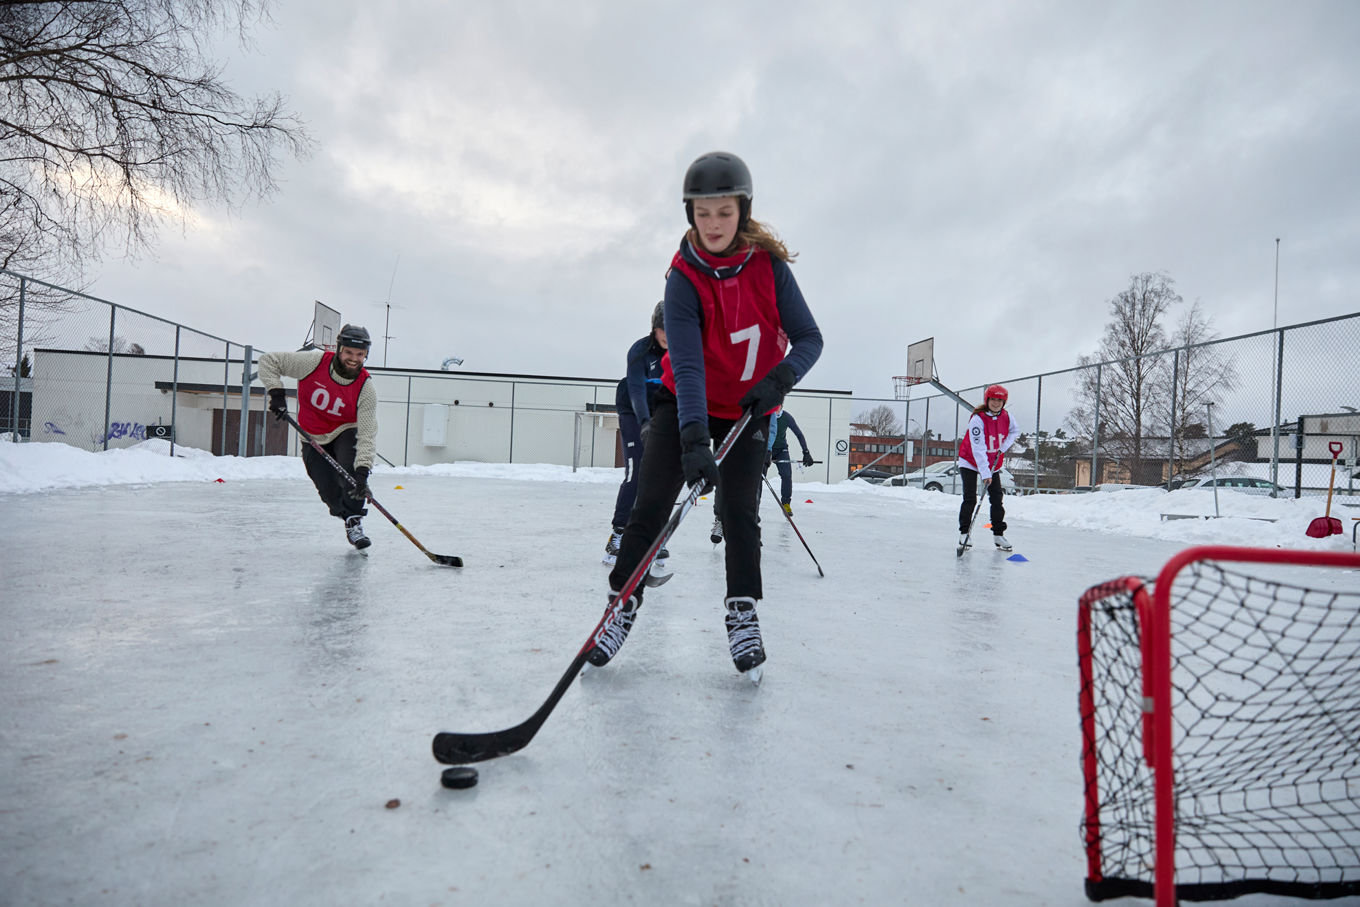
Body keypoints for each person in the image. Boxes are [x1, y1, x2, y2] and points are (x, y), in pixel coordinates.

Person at [588, 150, 823, 678]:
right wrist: (694, 435)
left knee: (739, 511)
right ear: (689, 213)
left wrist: (780, 379)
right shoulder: (683, 277)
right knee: (651, 503)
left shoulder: (770, 269)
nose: (713, 224)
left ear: (743, 210)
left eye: (724, 212)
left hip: (750, 408)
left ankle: (742, 610)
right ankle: (621, 604)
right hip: (686, 403)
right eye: (702, 213)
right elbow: (689, 364)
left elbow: (810, 338)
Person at [259, 325, 378, 550]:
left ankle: (354, 520)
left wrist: (362, 472)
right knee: (327, 489)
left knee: (351, 473)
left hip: (344, 430)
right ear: (339, 349)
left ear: (365, 355)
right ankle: (345, 514)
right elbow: (268, 361)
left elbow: (367, 434)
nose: (353, 359)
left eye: (360, 354)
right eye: (349, 352)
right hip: (312, 435)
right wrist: (276, 393)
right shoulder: (314, 362)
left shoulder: (366, 388)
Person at [603, 302, 668, 566]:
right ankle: (618, 534)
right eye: (663, 329)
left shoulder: (684, 350)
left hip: (662, 408)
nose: (668, 335)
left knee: (662, 476)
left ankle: (654, 536)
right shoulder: (640, 351)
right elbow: (637, 392)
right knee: (636, 470)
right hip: (633, 409)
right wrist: (644, 423)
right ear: (654, 328)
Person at [957, 384, 1019, 551]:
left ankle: (998, 535)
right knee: (970, 498)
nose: (996, 403)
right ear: (987, 400)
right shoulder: (977, 419)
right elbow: (978, 449)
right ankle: (964, 533)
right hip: (970, 460)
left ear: (1004, 402)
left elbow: (1015, 431)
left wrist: (1003, 447)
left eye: (1000, 400)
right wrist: (985, 474)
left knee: (997, 498)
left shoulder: (1007, 417)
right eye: (993, 399)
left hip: (993, 462)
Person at [765, 409, 812, 515]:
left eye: (778, 406)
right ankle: (754, 504)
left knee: (786, 475)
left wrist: (806, 452)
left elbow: (798, 434)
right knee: (760, 477)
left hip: (781, 450)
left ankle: (786, 503)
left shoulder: (786, 417)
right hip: (766, 450)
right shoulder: (767, 415)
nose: (776, 410)